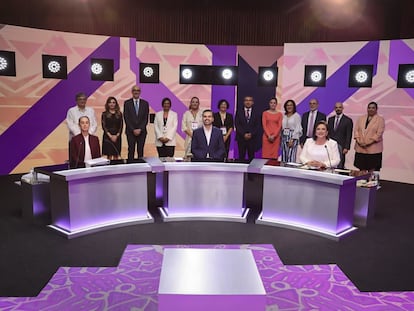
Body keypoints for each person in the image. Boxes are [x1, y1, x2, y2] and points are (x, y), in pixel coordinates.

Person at [354, 102, 385, 174]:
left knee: (372, 171)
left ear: (376, 109)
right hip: (360, 148)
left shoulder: (380, 120)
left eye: (373, 108)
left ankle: (371, 183)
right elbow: (356, 130)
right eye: (369, 108)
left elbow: (378, 134)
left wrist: (367, 143)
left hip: (373, 150)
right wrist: (359, 141)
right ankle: (361, 183)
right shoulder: (361, 118)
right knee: (361, 170)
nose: (371, 109)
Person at [123, 85, 149, 160]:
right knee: (131, 150)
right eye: (134, 90)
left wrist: (140, 129)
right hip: (130, 132)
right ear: (132, 92)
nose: (136, 92)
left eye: (138, 90)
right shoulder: (127, 103)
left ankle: (141, 168)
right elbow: (126, 117)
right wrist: (133, 129)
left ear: (140, 92)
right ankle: (130, 167)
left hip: (142, 132)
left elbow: (145, 118)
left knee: (140, 151)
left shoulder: (145, 103)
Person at [327, 102, 353, 169]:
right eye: (336, 107)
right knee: (330, 162)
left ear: (342, 108)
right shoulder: (330, 119)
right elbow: (328, 132)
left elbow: (349, 135)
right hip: (331, 145)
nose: (338, 109)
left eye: (340, 107)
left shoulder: (348, 120)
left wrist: (346, 147)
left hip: (341, 146)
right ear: (334, 109)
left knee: (340, 164)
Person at [235, 96, 261, 161]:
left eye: (250, 100)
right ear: (244, 102)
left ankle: (251, 171)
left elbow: (257, 125)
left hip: (252, 139)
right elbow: (237, 124)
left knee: (251, 157)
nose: (248, 102)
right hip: (241, 138)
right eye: (246, 100)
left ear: (252, 102)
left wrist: (251, 134)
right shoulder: (239, 111)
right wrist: (244, 134)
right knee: (241, 157)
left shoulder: (257, 112)